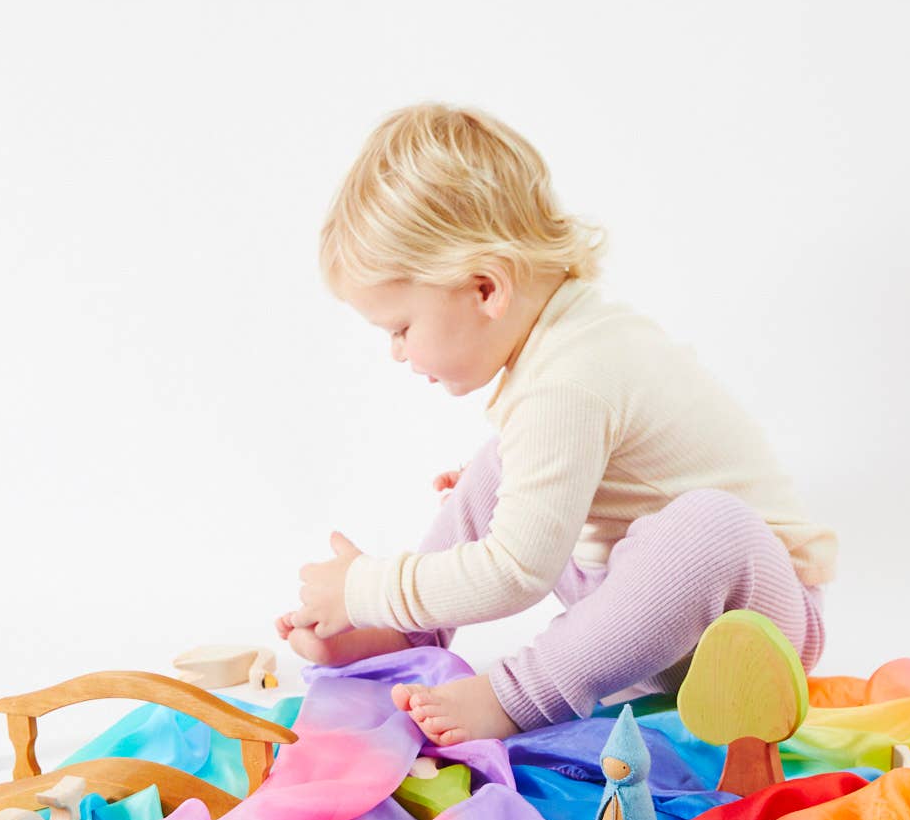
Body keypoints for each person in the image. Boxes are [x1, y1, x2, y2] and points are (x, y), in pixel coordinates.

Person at [277, 101, 837, 746]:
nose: (397, 352)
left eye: (402, 328)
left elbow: (516, 573)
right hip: (641, 616)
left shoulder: (571, 376)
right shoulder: (556, 358)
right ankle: (407, 632)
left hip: (756, 627)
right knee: (498, 463)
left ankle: (519, 693)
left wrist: (368, 585)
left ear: (487, 289)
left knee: (708, 526)